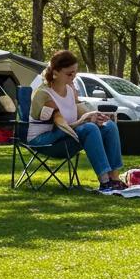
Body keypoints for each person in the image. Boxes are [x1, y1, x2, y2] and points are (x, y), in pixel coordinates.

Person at [28, 50, 125, 192]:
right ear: (55, 72)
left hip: (67, 136)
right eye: (69, 73)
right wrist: (84, 121)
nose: (73, 76)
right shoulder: (44, 94)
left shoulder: (71, 90)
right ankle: (104, 181)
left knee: (108, 126)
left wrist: (95, 117)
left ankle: (114, 178)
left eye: (75, 72)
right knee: (89, 129)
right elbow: (61, 125)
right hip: (45, 140)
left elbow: (83, 113)